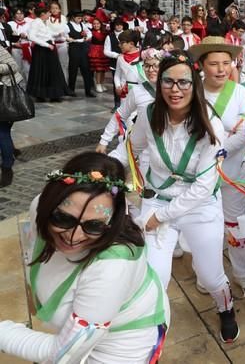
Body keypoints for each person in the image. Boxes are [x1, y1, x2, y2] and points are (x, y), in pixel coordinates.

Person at [113, 50, 240, 342]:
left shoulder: (211, 124)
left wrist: (160, 217)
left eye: (183, 82)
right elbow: (131, 148)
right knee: (154, 275)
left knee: (209, 276)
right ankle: (152, 332)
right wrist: (100, 170)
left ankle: (226, 307)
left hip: (199, 206)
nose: (175, 89)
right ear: (159, 84)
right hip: (158, 199)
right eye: (168, 81)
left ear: (194, 85)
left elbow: (203, 188)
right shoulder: (148, 114)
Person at [0, 152, 170, 363]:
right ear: (49, 203)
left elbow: (62, 352)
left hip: (123, 345)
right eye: (63, 218)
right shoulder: (39, 207)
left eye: (94, 225)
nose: (73, 236)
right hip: (87, 330)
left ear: (114, 220)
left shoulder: (114, 267)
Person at [189, 37, 245, 293]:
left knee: (235, 223)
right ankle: (206, 274)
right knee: (203, 225)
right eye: (214, 64)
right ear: (201, 65)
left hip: (233, 171)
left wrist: (220, 150)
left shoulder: (241, 93)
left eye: (226, 63)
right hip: (198, 174)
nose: (221, 69)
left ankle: (242, 273)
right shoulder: (191, 91)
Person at [96, 47, 162, 155]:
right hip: (144, 151)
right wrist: (104, 141)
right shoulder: (137, 91)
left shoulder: (174, 91)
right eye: (147, 66)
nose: (150, 70)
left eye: (155, 65)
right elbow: (120, 115)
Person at [26, 7, 70, 103]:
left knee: (52, 71)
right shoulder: (36, 22)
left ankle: (53, 94)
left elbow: (46, 33)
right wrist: (46, 45)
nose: (50, 14)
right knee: (43, 71)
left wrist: (58, 34)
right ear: (42, 14)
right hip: (42, 50)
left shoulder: (42, 22)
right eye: (48, 12)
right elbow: (31, 36)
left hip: (48, 48)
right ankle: (41, 94)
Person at [0, 46, 24, 187]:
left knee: (2, 132)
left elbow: (12, 66)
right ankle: (12, 150)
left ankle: (7, 168)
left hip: (5, 94)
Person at [65, 10, 95, 97]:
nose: (80, 19)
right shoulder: (67, 26)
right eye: (78, 18)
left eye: (81, 18)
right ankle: (71, 90)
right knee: (73, 70)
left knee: (86, 70)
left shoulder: (82, 25)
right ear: (73, 17)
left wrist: (87, 37)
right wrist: (69, 39)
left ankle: (88, 91)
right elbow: (64, 36)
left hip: (83, 49)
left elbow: (89, 33)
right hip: (73, 49)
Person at [104, 18, 127, 111]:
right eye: (117, 24)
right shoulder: (110, 37)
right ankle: (117, 104)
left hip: (127, 63)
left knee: (127, 83)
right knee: (116, 84)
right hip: (115, 63)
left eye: (120, 24)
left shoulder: (127, 35)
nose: (119, 26)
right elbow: (106, 51)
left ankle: (127, 103)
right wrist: (117, 55)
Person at [113, 29, 142, 99]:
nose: (119, 45)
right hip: (124, 93)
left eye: (122, 43)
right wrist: (118, 86)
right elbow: (117, 75)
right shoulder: (120, 58)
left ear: (131, 44)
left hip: (139, 93)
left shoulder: (142, 56)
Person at [7, 8, 31, 78]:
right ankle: (20, 88)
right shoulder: (10, 24)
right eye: (18, 13)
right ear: (14, 15)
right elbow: (8, 37)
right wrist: (14, 43)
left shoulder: (29, 24)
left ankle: (28, 87)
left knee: (28, 69)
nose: (20, 15)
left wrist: (26, 36)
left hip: (26, 48)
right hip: (16, 49)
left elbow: (33, 36)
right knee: (18, 69)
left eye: (21, 13)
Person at [88, 18, 110, 93]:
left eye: (97, 23)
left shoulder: (105, 32)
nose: (96, 25)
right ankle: (98, 84)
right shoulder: (90, 32)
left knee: (103, 69)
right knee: (98, 69)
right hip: (95, 51)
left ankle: (102, 83)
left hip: (103, 51)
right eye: (94, 24)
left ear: (100, 24)